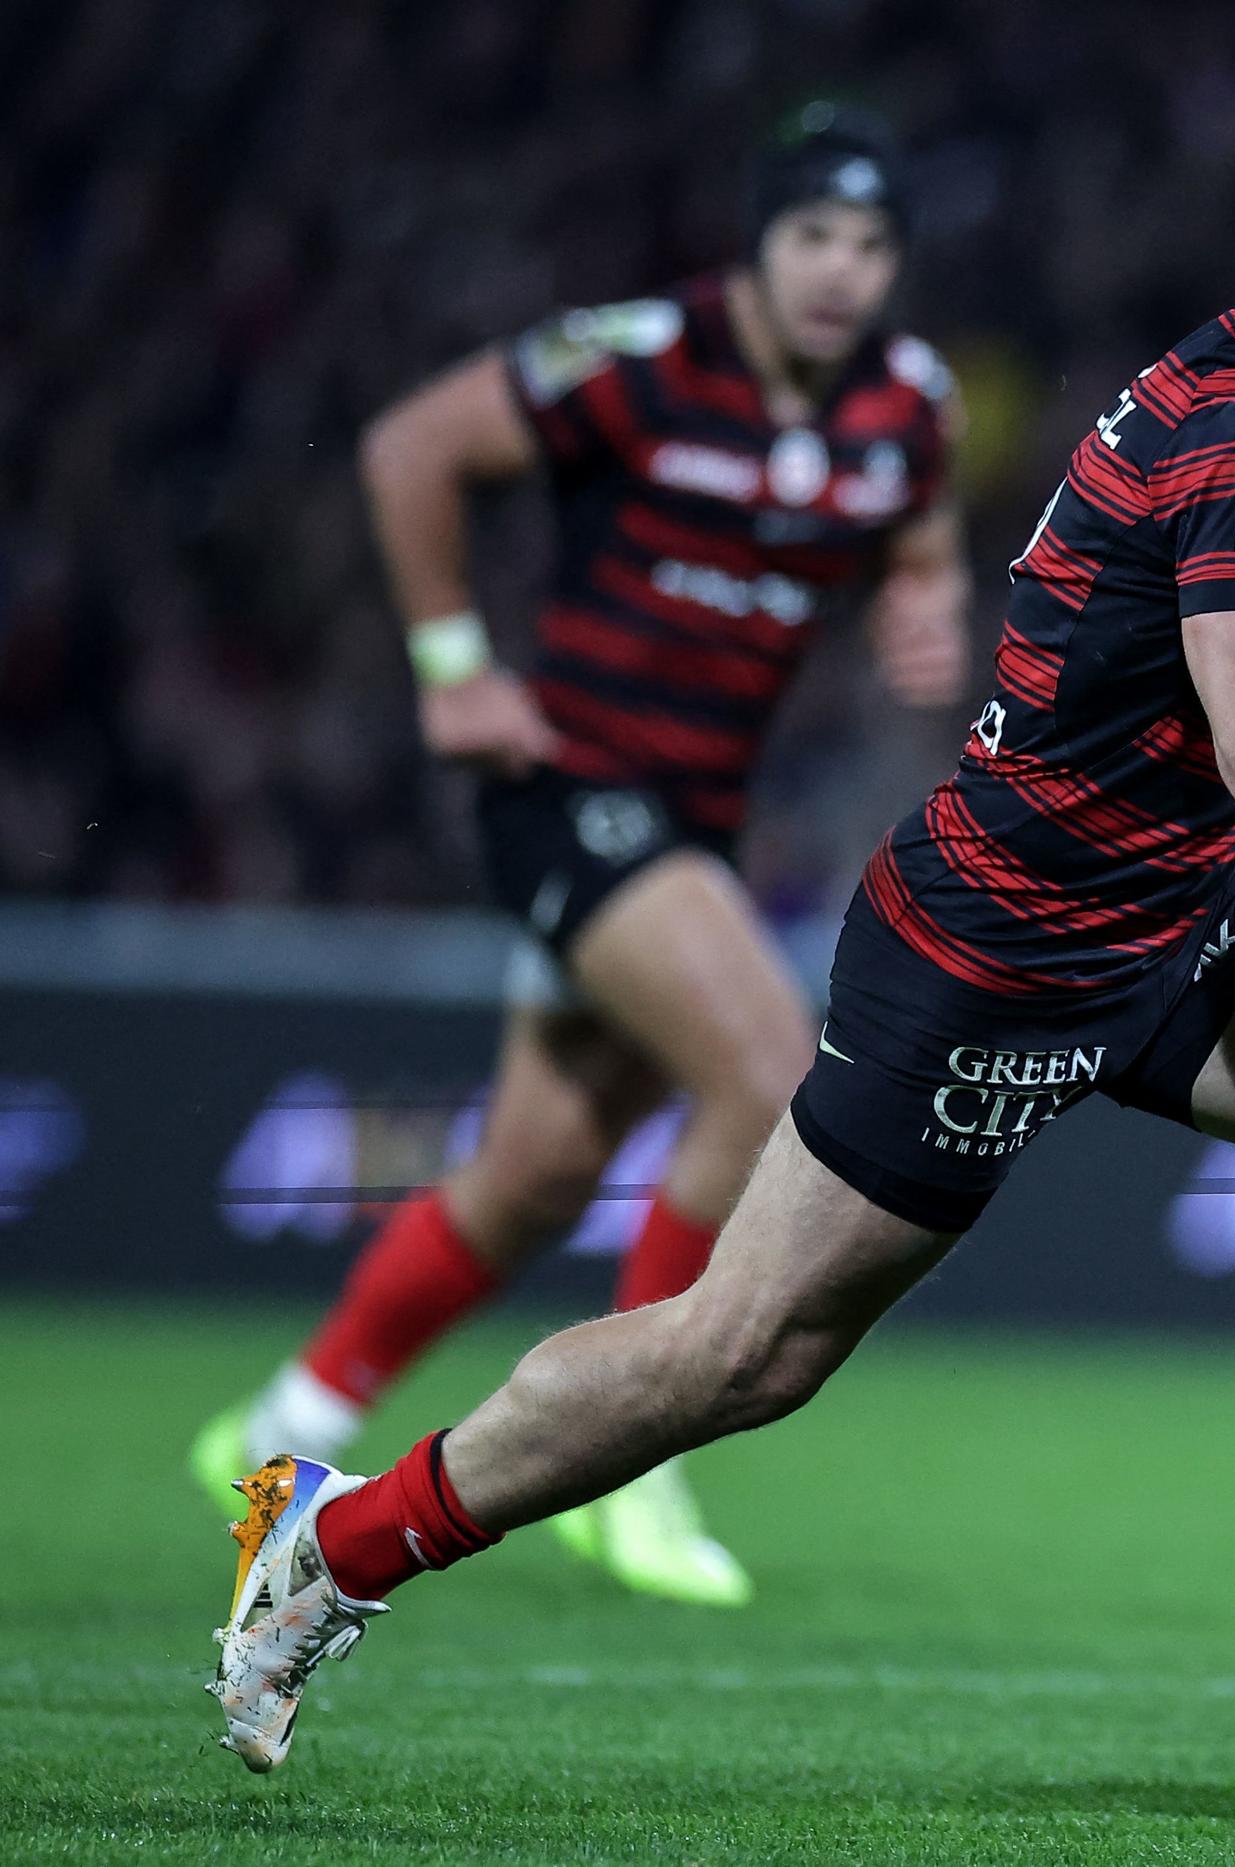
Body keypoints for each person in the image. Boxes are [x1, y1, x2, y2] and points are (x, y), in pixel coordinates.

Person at [206, 109, 1235, 1772]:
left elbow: (1224, 702)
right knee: (743, 1357)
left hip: (1166, 913)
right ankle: (332, 1544)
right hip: (998, 951)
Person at [189, 102, 973, 1609]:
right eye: (813, 234)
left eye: (872, 245)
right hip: (570, 790)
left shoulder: (907, 406)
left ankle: (281, 1426)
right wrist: (450, 666)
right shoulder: (639, 358)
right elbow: (412, 447)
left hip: (693, 820)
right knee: (766, 1066)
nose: (840, 270)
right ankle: (634, 1459)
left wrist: (919, 601)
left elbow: (922, 531)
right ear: (758, 243)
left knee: (535, 1174)